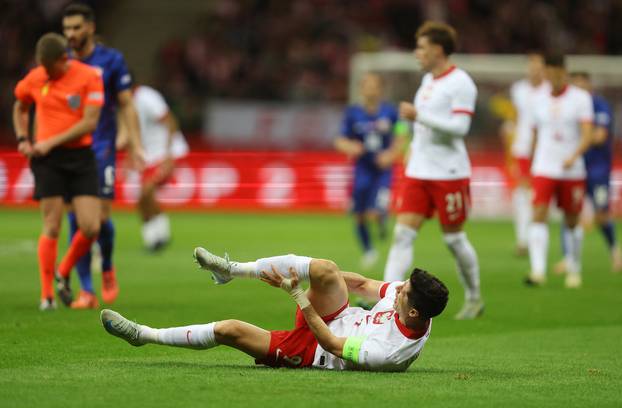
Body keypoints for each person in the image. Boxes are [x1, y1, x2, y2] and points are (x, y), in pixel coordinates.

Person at [101, 247, 449, 371]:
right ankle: (231, 270)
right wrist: (309, 276)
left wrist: (298, 295)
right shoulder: (413, 304)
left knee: (229, 330)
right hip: (337, 315)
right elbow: (360, 285)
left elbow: (331, 344)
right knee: (325, 267)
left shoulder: (390, 352)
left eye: (403, 291)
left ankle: (142, 335)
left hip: (316, 351)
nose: (397, 287)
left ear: (414, 313)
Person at [382, 21, 482, 320]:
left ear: (438, 50)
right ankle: (387, 299)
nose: (417, 53)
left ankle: (475, 297)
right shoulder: (428, 81)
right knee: (402, 234)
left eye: (421, 48)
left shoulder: (461, 83)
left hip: (449, 172)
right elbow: (417, 123)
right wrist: (409, 142)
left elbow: (460, 128)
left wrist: (419, 115)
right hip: (419, 170)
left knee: (454, 239)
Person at [12, 33, 103, 310]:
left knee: (91, 226)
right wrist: (22, 139)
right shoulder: (36, 77)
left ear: (64, 59)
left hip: (79, 157)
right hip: (48, 161)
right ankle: (47, 295)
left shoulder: (89, 76)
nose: (47, 75)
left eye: (50, 69)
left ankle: (63, 271)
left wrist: (48, 141)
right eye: (44, 69)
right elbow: (20, 105)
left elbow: (89, 123)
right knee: (52, 224)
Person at [62, 3, 144, 309]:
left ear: (90, 27)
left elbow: (126, 104)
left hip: (101, 148)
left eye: (76, 28)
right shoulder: (61, 61)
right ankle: (86, 290)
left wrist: (134, 144)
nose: (70, 34)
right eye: (66, 28)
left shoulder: (111, 60)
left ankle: (107, 267)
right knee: (77, 219)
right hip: (68, 151)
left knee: (101, 219)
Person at [525, 54, 594, 288]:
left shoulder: (581, 98)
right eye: (549, 73)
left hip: (571, 169)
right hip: (544, 167)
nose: (552, 77)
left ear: (564, 73)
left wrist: (574, 156)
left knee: (572, 220)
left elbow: (587, 133)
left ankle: (574, 269)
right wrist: (532, 161)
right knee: (538, 214)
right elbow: (535, 134)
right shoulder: (536, 99)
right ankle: (537, 271)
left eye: (557, 73)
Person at [335, 73, 406, 268]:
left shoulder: (390, 112)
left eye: (374, 86)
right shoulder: (353, 113)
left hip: (383, 169)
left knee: (374, 211)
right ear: (361, 89)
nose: (371, 90)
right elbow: (340, 140)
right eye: (367, 86)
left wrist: (391, 154)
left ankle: (382, 217)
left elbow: (402, 133)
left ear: (380, 90)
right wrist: (350, 147)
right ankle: (368, 250)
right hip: (362, 169)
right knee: (359, 214)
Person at [554, 72, 622, 274]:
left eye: (582, 86)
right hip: (575, 169)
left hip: (597, 171)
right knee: (570, 213)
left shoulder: (599, 105)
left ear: (589, 87)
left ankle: (614, 251)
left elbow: (600, 136)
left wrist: (577, 134)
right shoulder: (569, 107)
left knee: (602, 216)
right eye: (575, 86)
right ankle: (568, 259)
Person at [122, 82, 189, 251]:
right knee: (143, 199)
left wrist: (168, 154)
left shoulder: (146, 97)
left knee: (147, 192)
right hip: (149, 156)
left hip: (165, 153)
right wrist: (131, 156)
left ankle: (160, 237)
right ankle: (154, 239)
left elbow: (170, 120)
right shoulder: (126, 102)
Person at [504, 53, 549, 256]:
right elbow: (514, 118)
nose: (534, 71)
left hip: (545, 149)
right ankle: (523, 239)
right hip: (522, 148)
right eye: (531, 67)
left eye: (538, 67)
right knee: (522, 192)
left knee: (538, 195)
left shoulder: (549, 90)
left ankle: (535, 237)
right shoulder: (519, 90)